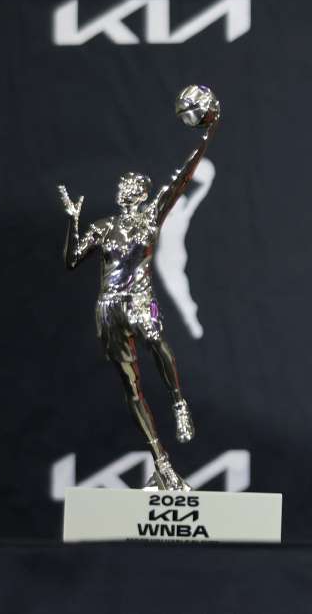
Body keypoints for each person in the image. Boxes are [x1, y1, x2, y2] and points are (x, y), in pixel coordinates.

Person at [58, 129, 213, 491]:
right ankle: (161, 463)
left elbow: (182, 176)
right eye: (122, 186)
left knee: (158, 343)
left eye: (131, 186)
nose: (124, 189)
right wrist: (72, 220)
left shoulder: (151, 217)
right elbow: (71, 260)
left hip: (140, 302)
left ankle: (178, 403)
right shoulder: (104, 227)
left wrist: (207, 134)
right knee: (132, 388)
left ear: (143, 194)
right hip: (109, 309)